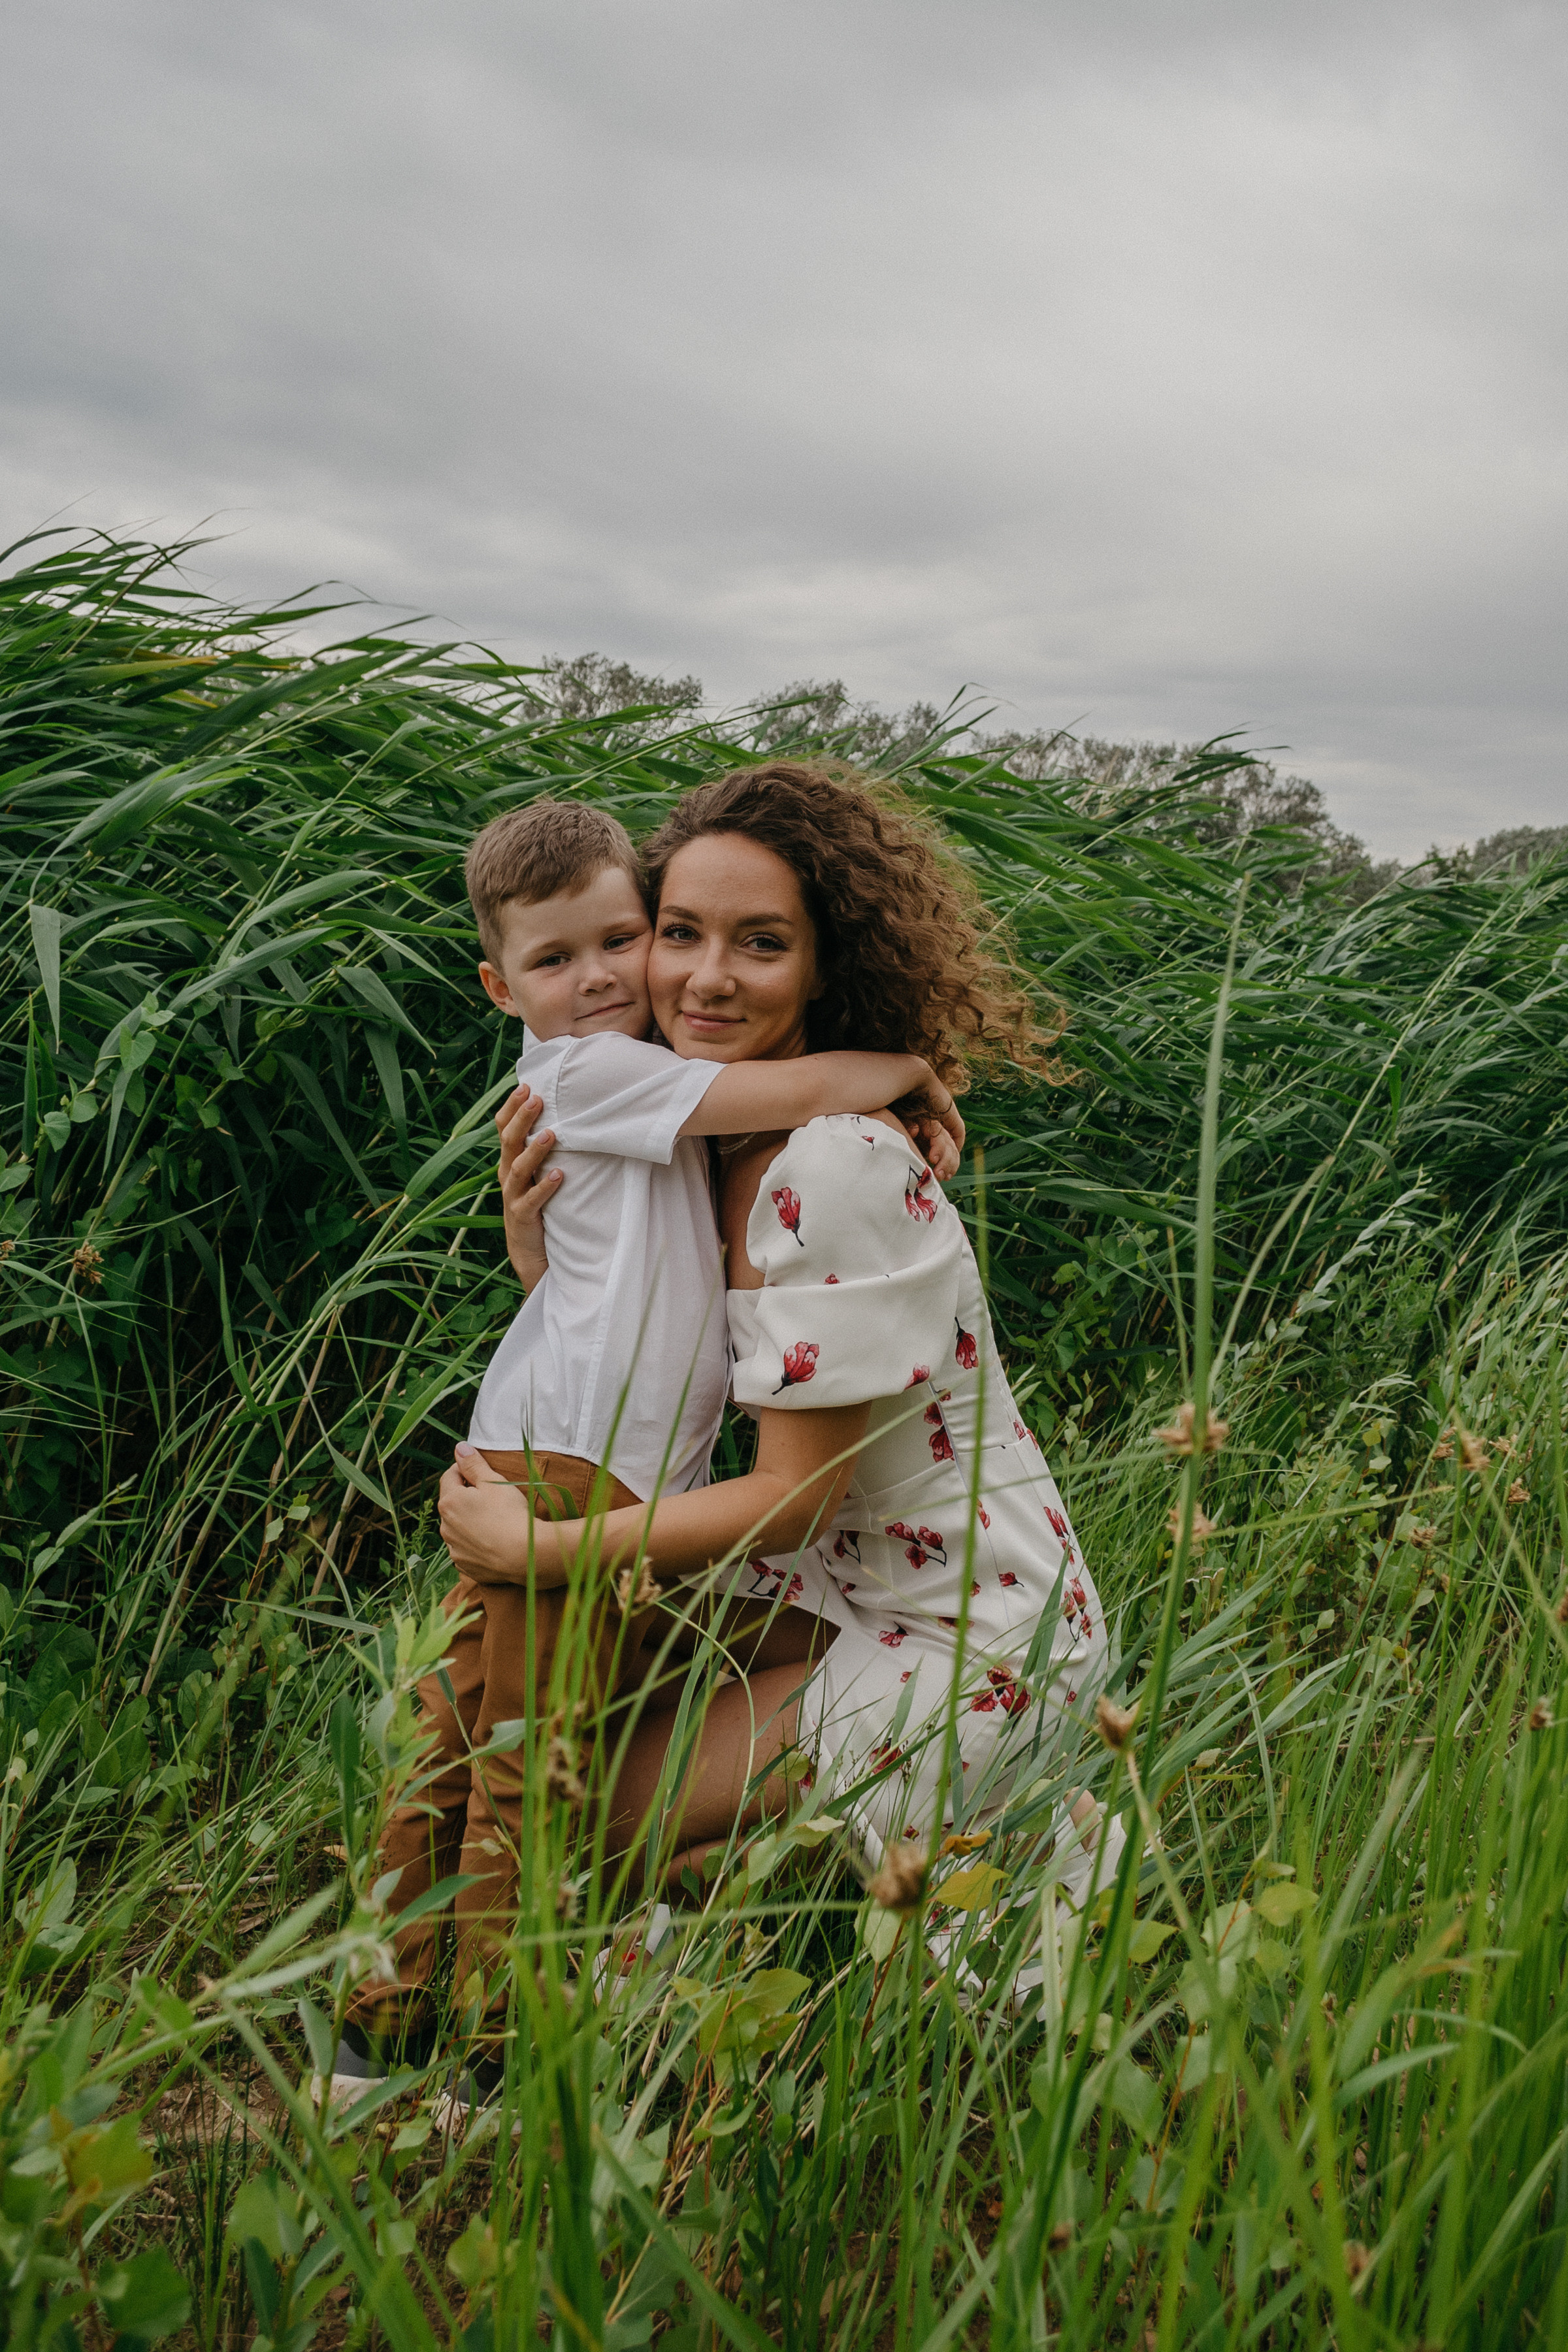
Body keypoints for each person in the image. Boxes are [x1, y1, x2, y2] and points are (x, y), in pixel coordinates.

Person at [441, 762, 1121, 1970]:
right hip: (825, 1589)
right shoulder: (696, 1134)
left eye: (761, 943)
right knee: (544, 1712)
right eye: (678, 933)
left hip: (960, 1626)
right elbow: (640, 1346)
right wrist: (534, 1242)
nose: (705, 977)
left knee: (572, 1798)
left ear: (823, 963)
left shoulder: (830, 1167)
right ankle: (980, 1851)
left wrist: (530, 1551)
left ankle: (1045, 1847)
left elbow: (798, 1495)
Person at [335, 795, 965, 2087]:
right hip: (571, 1473)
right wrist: (910, 1070)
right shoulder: (603, 1071)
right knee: (532, 1778)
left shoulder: (629, 1085)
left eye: (622, 939)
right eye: (556, 960)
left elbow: (609, 1274)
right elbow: (793, 1085)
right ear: (498, 982)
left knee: (454, 1751)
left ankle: (377, 2039)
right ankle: (499, 2070)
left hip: (548, 1448)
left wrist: (532, 1250)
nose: (606, 977)